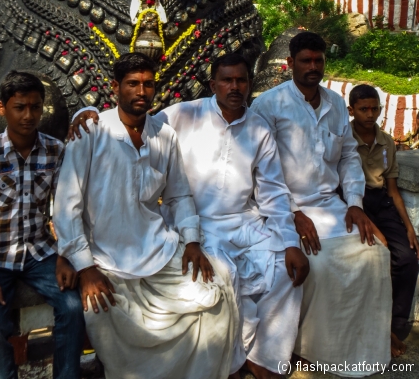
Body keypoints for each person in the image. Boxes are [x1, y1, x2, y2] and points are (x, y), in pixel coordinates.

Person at [69, 53, 310, 379]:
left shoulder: (256, 129)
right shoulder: (181, 115)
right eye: (227, 80)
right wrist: (86, 111)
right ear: (213, 85)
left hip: (237, 223)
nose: (234, 87)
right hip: (175, 230)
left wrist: (289, 240)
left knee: (278, 272)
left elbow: (272, 193)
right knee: (217, 280)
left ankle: (261, 359)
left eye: (241, 80)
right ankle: (223, 361)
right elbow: (69, 200)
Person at [54, 53, 237, 379]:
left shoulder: (164, 136)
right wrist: (84, 267)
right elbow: (67, 205)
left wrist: (192, 242)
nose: (141, 91)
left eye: (148, 84)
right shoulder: (91, 132)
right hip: (106, 258)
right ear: (116, 88)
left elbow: (179, 194)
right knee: (103, 316)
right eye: (133, 84)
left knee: (215, 291)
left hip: (157, 248)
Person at [251, 31, 392, 375]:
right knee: (323, 264)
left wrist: (355, 204)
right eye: (306, 61)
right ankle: (309, 349)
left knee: (376, 254)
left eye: (319, 60)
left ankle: (364, 344)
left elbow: (347, 157)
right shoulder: (268, 105)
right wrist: (293, 213)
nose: (313, 67)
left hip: (332, 206)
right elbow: (260, 169)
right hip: (284, 209)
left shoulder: (333, 104)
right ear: (291, 64)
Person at [0, 70, 84, 379]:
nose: (29, 115)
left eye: (35, 106)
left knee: (73, 307)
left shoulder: (55, 151)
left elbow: (66, 209)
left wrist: (64, 256)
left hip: (40, 251)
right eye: (20, 107)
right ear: (2, 108)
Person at [348, 84, 419, 356]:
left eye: (374, 108)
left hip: (382, 201)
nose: (370, 114)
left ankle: (396, 324)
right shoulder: (345, 139)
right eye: (363, 109)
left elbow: (392, 190)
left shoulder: (387, 141)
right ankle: (370, 326)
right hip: (354, 201)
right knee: (376, 254)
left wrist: (410, 229)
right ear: (351, 110)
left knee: (408, 257)